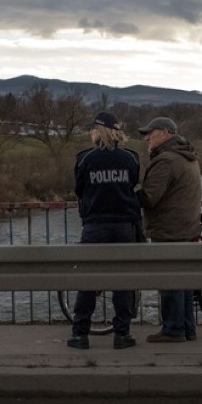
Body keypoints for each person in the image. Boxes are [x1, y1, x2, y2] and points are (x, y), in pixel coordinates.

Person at [67, 111, 142, 350]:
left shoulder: (85, 159)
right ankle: (122, 334)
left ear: (99, 131)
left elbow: (79, 190)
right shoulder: (130, 158)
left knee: (88, 280)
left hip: (95, 226)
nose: (90, 133)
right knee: (123, 281)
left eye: (92, 129)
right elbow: (132, 184)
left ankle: (80, 334)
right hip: (123, 226)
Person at [135, 116, 202, 343]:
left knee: (170, 281)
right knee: (184, 283)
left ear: (164, 133)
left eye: (149, 133)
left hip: (169, 230)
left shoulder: (166, 160)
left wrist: (127, 194)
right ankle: (187, 329)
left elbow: (149, 197)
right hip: (186, 227)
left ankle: (173, 330)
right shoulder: (186, 156)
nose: (146, 138)